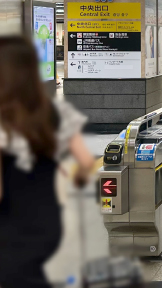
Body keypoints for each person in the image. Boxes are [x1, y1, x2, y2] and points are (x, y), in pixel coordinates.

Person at [0, 37, 95, 288]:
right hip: (48, 219)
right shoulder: (54, 112)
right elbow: (86, 161)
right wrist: (78, 178)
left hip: (9, 225)